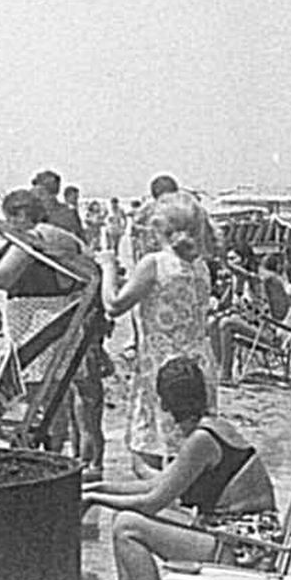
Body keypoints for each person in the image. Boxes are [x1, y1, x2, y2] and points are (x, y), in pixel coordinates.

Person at [82, 356, 277, 580]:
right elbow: (159, 483)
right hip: (241, 537)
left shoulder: (202, 441)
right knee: (122, 518)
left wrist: (93, 499)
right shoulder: (212, 428)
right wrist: (96, 488)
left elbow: (153, 502)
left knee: (127, 526)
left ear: (164, 403)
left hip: (244, 550)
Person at [95, 192, 216, 475]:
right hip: (198, 361)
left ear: (159, 228)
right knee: (190, 448)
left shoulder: (155, 263)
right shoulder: (200, 265)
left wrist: (108, 267)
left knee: (146, 453)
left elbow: (113, 304)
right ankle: (185, 505)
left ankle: (164, 506)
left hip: (162, 364)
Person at [0, 188, 92, 454]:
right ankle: (60, 452)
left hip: (35, 324)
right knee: (58, 398)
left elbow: (1, 278)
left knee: (36, 396)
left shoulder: (32, 239)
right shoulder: (65, 238)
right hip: (64, 319)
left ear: (20, 215)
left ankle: (42, 454)